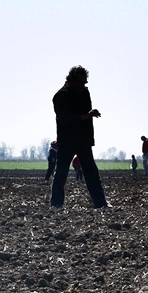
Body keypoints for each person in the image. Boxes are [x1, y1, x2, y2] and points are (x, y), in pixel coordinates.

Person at [50, 66, 108, 208]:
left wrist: (89, 115)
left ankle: (100, 203)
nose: (83, 85)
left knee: (92, 173)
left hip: (84, 140)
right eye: (80, 82)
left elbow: (86, 114)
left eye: (84, 83)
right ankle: (56, 204)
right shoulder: (61, 96)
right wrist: (86, 116)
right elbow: (65, 119)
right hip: (67, 140)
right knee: (61, 173)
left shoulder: (84, 93)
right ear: (71, 80)